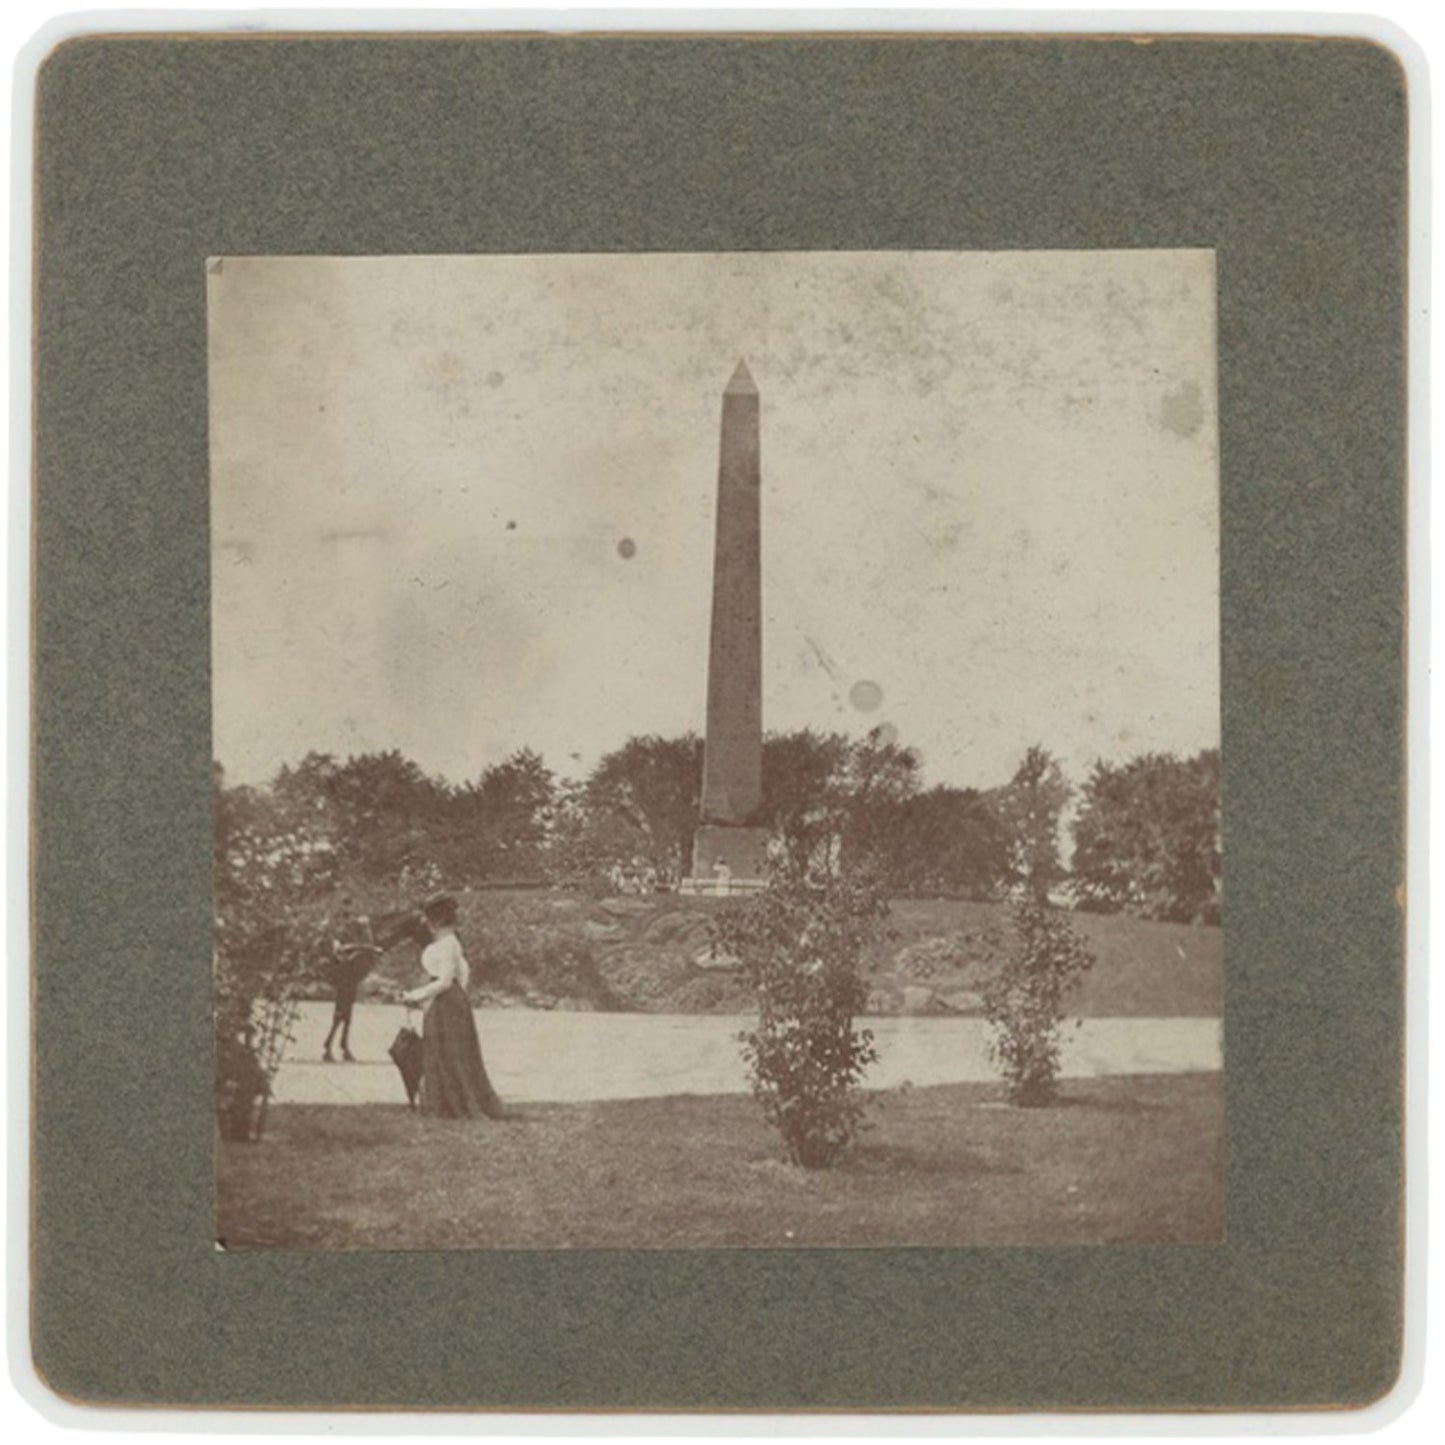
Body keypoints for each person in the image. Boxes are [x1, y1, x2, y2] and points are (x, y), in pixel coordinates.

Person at [401, 895, 505, 1119]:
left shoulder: (448, 944)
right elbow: (463, 974)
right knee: (442, 1051)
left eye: (429, 920)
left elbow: (446, 980)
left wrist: (416, 994)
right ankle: (443, 1104)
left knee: (450, 1053)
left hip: (447, 1001)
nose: (426, 925)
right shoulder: (448, 943)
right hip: (448, 1001)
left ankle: (451, 1106)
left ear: (437, 921)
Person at [323, 901, 382, 1062]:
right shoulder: (339, 929)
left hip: (347, 963)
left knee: (346, 1006)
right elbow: (339, 945)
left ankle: (337, 1044)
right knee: (344, 1007)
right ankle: (336, 1045)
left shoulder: (356, 927)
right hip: (342, 965)